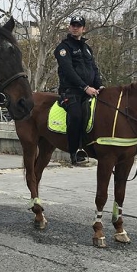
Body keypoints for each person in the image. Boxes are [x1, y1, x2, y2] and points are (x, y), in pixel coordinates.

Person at [53, 15, 102, 165]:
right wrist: (85, 87)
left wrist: (99, 85)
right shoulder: (63, 48)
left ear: (83, 29)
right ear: (69, 27)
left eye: (78, 25)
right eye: (73, 25)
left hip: (89, 90)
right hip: (71, 90)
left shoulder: (87, 49)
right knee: (76, 115)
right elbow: (68, 70)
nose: (75, 27)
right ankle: (76, 151)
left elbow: (94, 68)